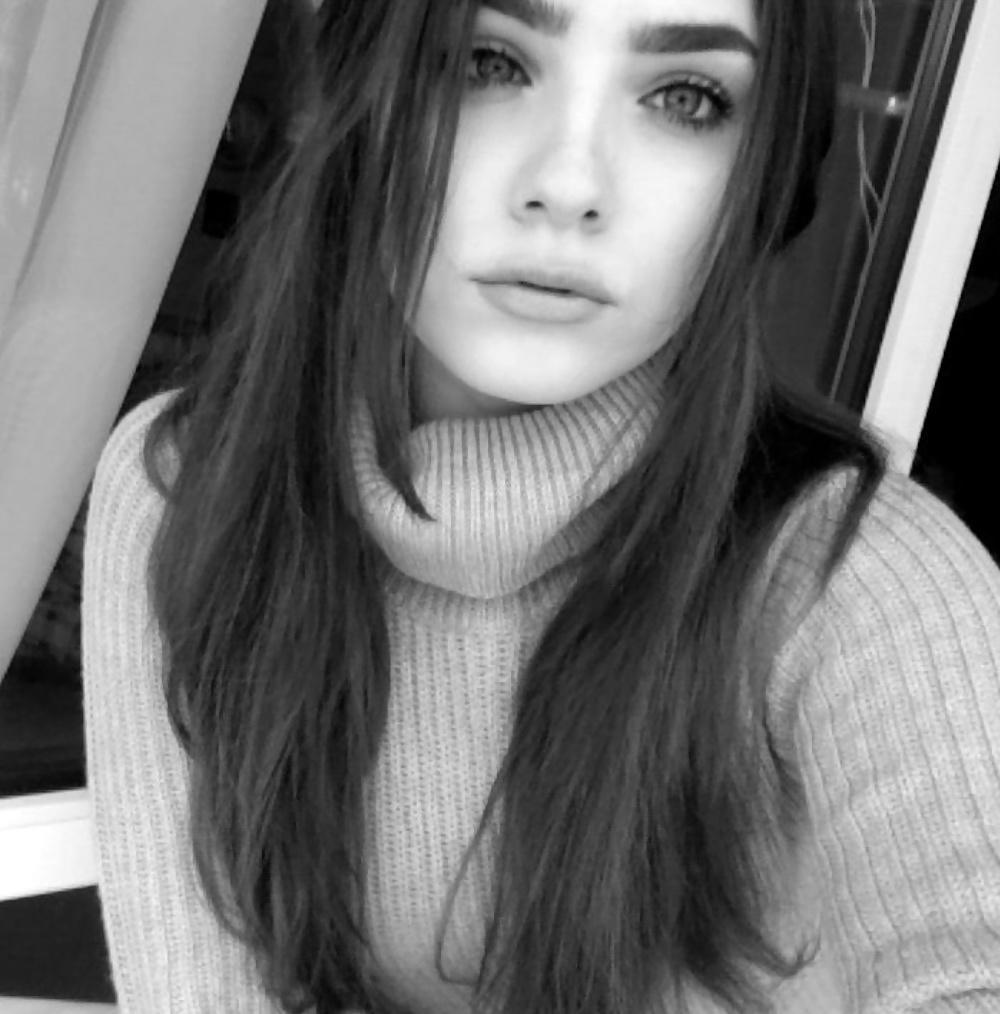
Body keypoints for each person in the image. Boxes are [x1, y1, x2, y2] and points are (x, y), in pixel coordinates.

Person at [81, 0, 1000, 1011]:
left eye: (686, 98)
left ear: (759, 181)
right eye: (485, 63)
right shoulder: (188, 486)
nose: (568, 185)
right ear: (352, 102)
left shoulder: (856, 580)